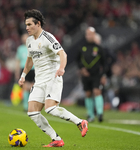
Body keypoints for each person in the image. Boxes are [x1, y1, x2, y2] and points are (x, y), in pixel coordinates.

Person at [18, 9, 88, 147]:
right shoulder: (29, 41)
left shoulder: (48, 37)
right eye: (26, 24)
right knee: (32, 112)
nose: (27, 27)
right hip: (39, 80)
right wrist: (23, 75)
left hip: (52, 77)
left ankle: (80, 122)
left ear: (38, 24)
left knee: (50, 109)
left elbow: (63, 54)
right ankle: (56, 139)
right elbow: (30, 60)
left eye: (29, 24)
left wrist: (61, 68)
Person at [76, 27, 106, 122]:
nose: (89, 36)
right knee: (88, 94)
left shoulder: (99, 48)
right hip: (86, 75)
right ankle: (90, 115)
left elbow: (104, 63)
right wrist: (82, 69)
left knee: (97, 92)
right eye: (88, 34)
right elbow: (77, 60)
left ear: (94, 35)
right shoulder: (82, 47)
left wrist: (103, 75)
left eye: (91, 34)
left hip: (96, 74)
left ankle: (100, 113)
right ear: (86, 35)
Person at [15, 33, 35, 112]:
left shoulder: (33, 47)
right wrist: (17, 72)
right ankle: (25, 106)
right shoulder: (20, 49)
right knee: (25, 88)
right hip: (24, 69)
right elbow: (18, 60)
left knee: (32, 88)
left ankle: (32, 106)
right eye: (23, 38)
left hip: (33, 69)